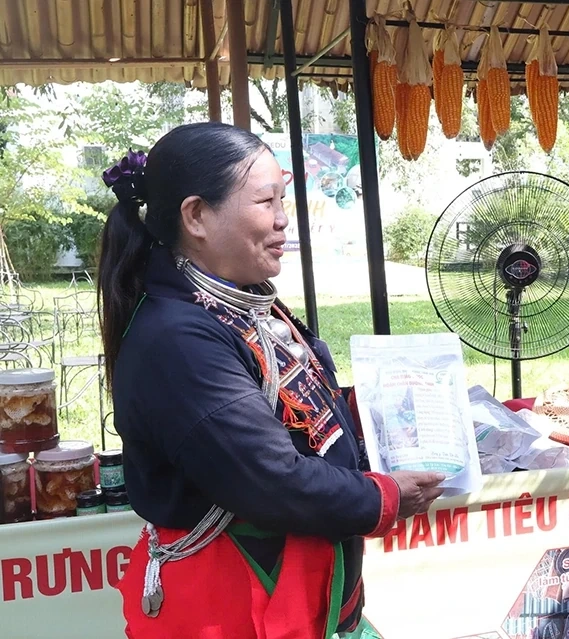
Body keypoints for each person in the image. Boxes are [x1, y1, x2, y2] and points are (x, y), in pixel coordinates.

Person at [97, 122, 446, 638]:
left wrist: (385, 406)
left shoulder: (246, 300)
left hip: (309, 600)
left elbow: (294, 407)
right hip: (237, 609)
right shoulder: (176, 340)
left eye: (283, 199)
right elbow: (268, 477)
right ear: (196, 216)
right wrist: (385, 498)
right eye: (266, 202)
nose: (285, 221)